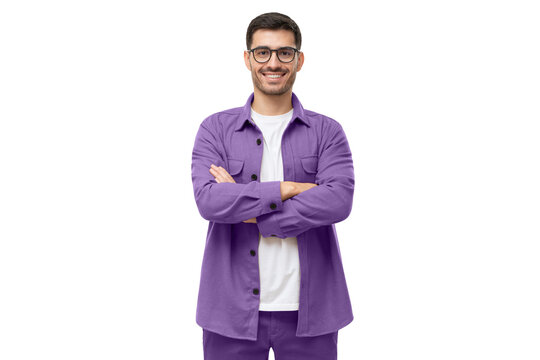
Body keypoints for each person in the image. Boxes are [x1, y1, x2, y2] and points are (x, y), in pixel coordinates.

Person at [191, 12, 355, 360]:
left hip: (311, 313)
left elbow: (338, 201)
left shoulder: (327, 132)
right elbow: (209, 201)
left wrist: (252, 213)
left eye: (285, 53)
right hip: (229, 312)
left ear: (299, 60)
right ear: (248, 58)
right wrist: (289, 188)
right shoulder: (215, 130)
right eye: (263, 52)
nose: (274, 62)